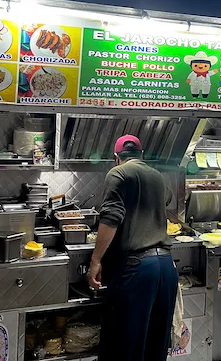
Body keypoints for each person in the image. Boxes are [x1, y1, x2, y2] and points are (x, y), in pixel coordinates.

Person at [87, 134, 178, 361]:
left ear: (116, 157)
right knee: (155, 346)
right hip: (166, 267)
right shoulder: (157, 176)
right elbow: (167, 199)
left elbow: (111, 217)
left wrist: (95, 260)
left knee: (126, 345)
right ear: (142, 156)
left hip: (138, 268)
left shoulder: (118, 173)